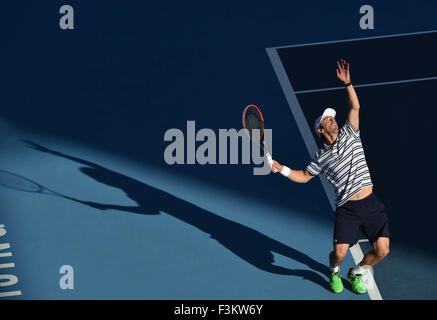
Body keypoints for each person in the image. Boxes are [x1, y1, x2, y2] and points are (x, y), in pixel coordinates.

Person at [271, 59, 390, 294]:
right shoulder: (320, 157)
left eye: (333, 117)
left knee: (382, 250)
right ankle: (334, 270)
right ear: (320, 130)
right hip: (348, 209)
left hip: (371, 203)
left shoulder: (350, 133)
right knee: (339, 254)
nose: (332, 119)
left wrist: (348, 84)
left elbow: (354, 108)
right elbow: (304, 176)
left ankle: (356, 272)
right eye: (327, 119)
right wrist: (281, 168)